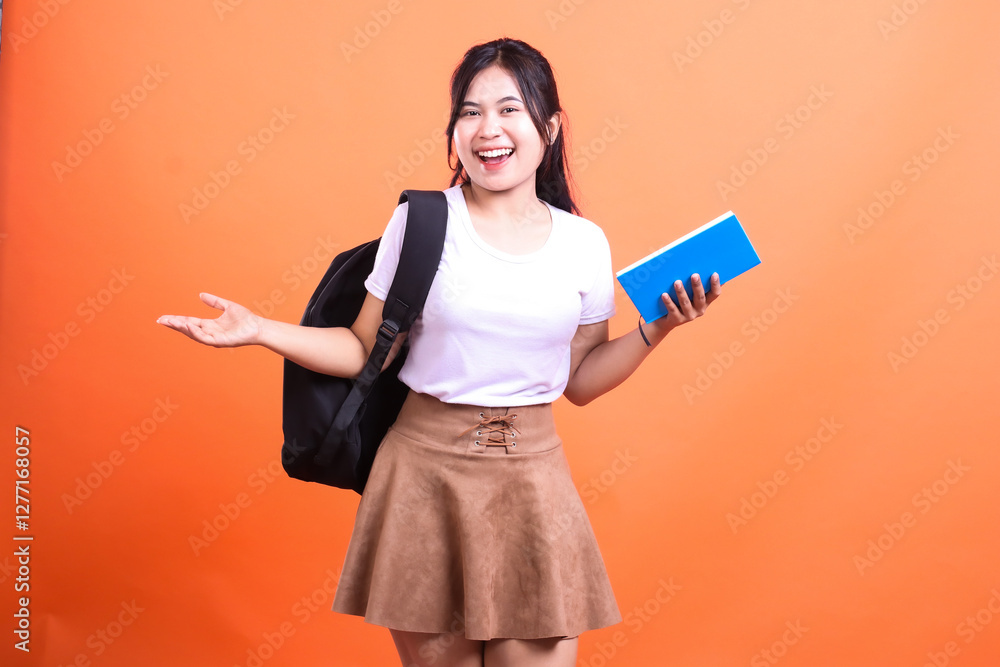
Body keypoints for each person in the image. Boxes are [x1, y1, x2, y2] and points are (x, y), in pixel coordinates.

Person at [157, 37, 721, 667]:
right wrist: (259, 328)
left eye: (510, 109)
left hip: (534, 482)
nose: (488, 129)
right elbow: (360, 348)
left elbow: (579, 380)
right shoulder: (422, 223)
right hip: (423, 479)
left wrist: (657, 330)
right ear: (454, 131)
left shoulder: (585, 244)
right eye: (470, 112)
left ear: (550, 128)